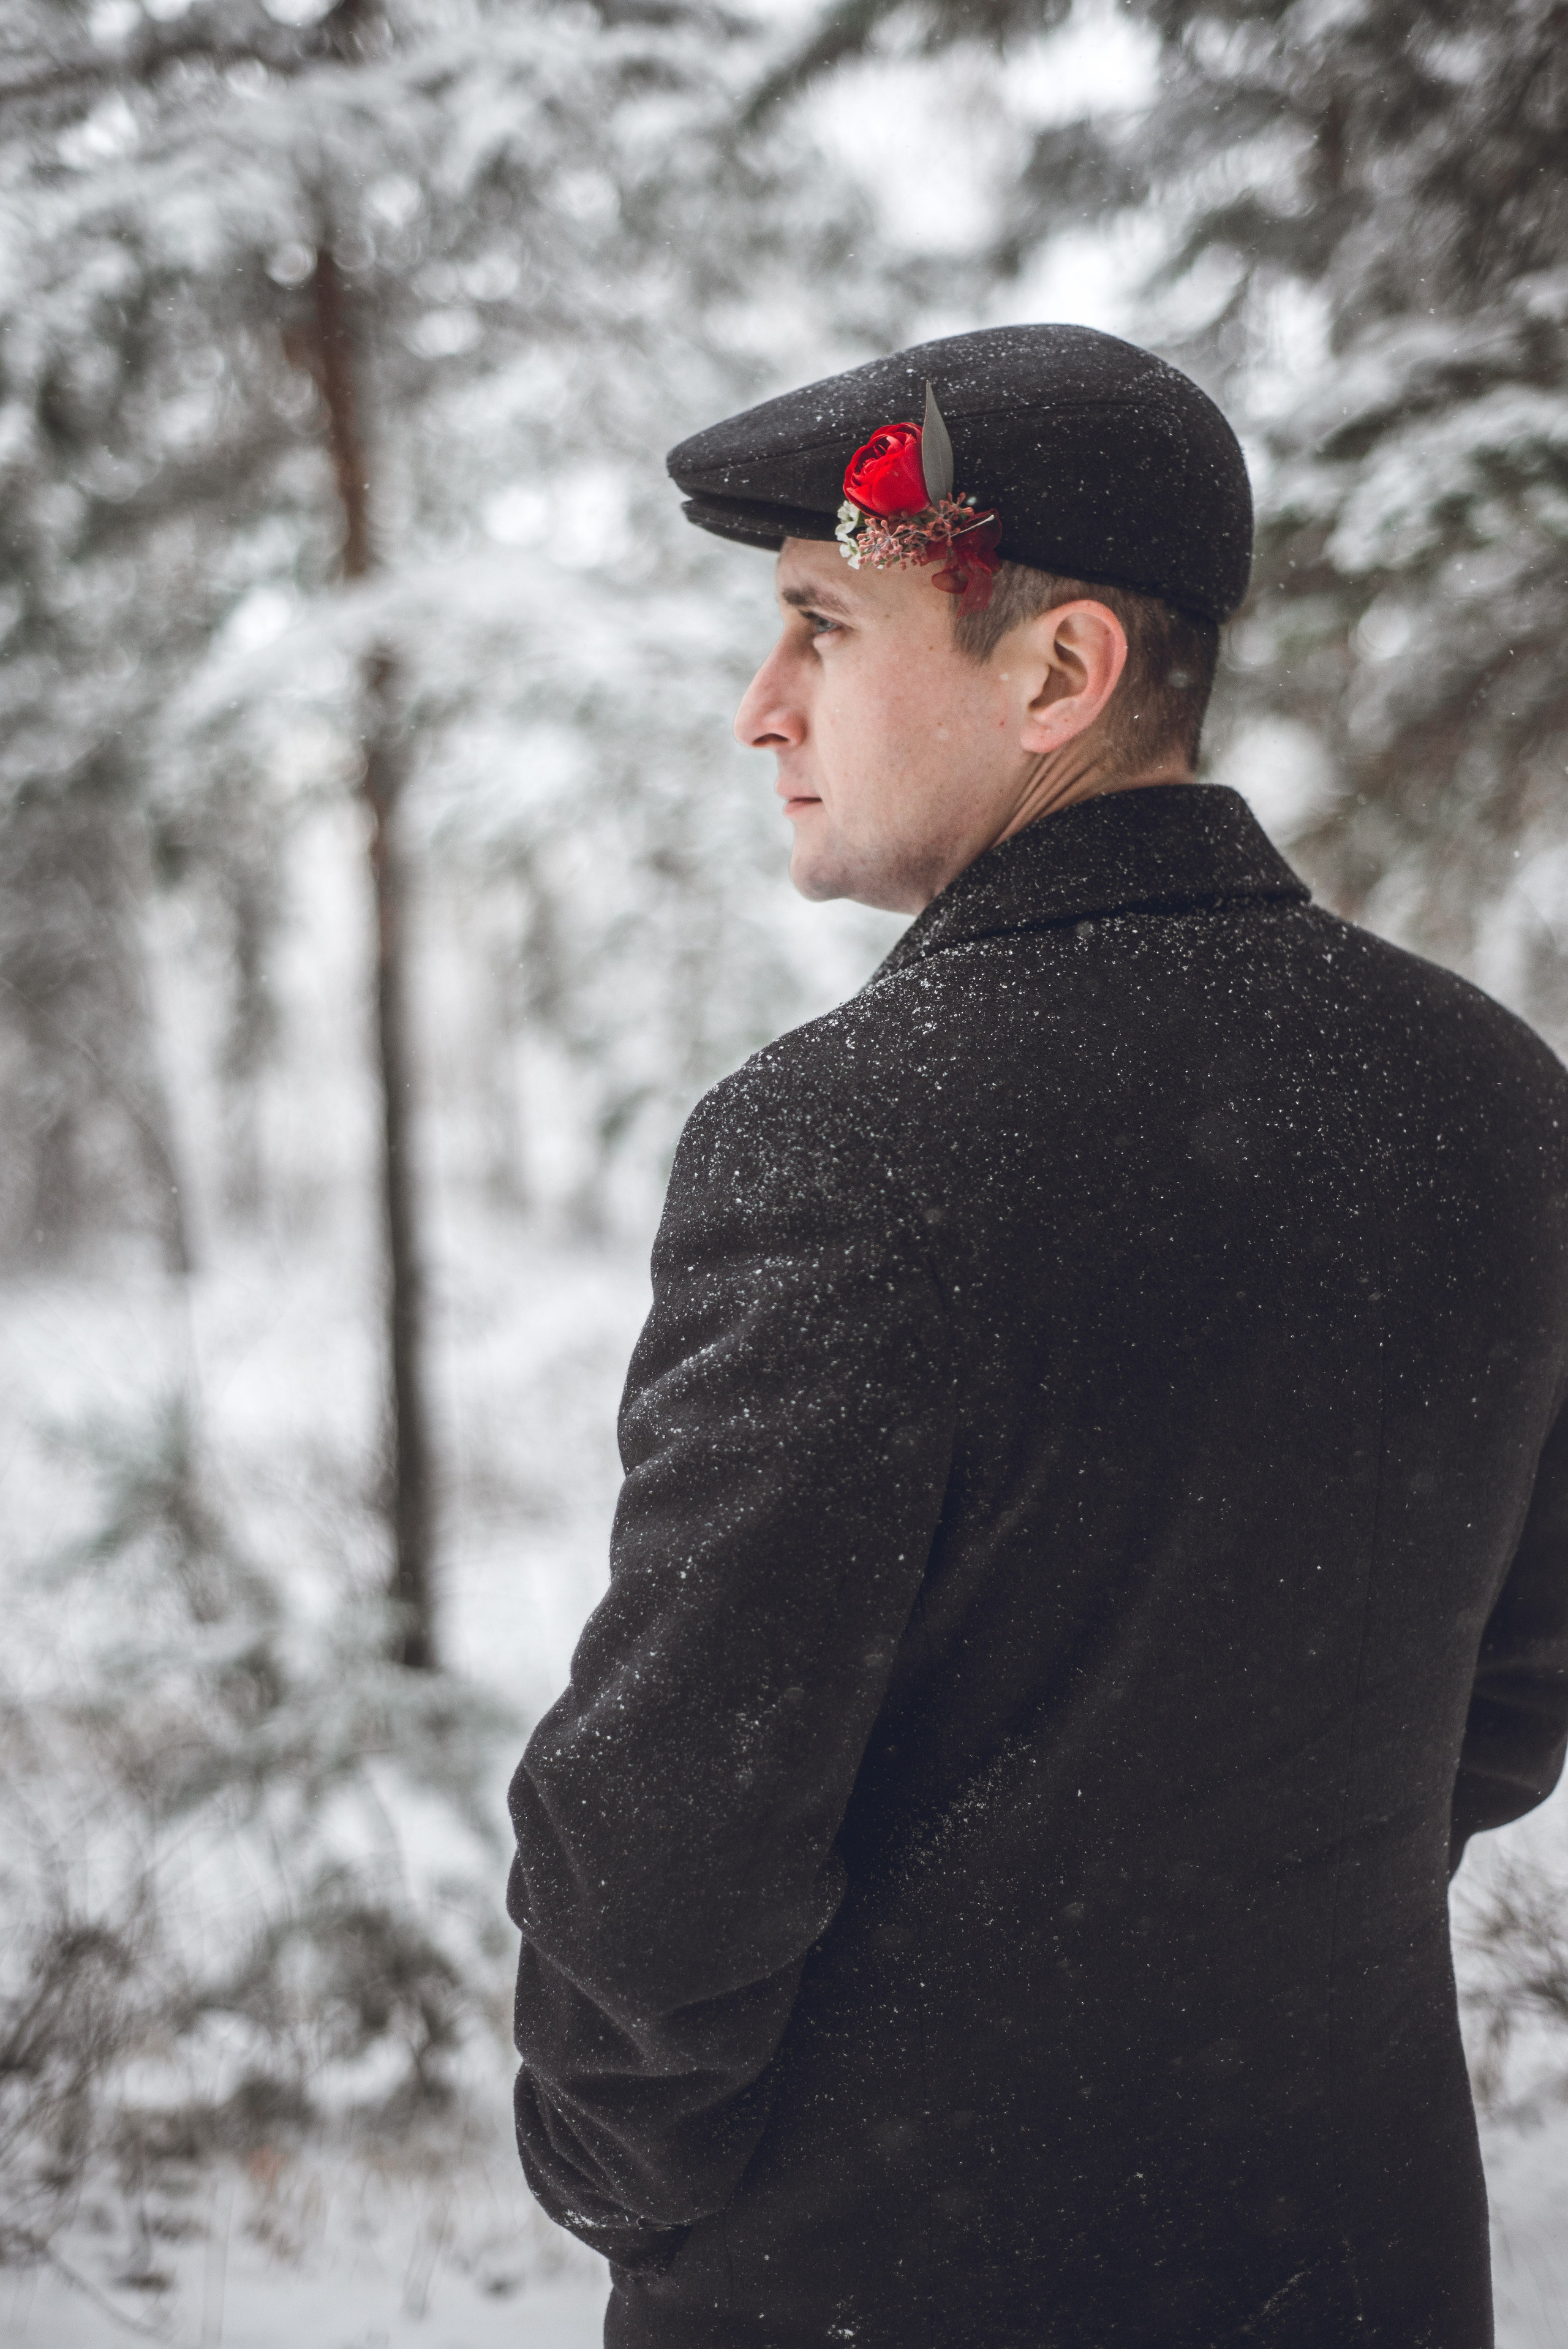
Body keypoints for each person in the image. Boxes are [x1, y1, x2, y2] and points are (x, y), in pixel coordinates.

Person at [505, 324, 1568, 2348]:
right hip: (1351, 2259)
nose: (760, 706)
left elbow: (665, 1842)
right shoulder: (1502, 1101)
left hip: (883, 2280)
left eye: (822, 624)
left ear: (1060, 673)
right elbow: (1507, 1696)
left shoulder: (844, 1140)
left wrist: (635, 2189)